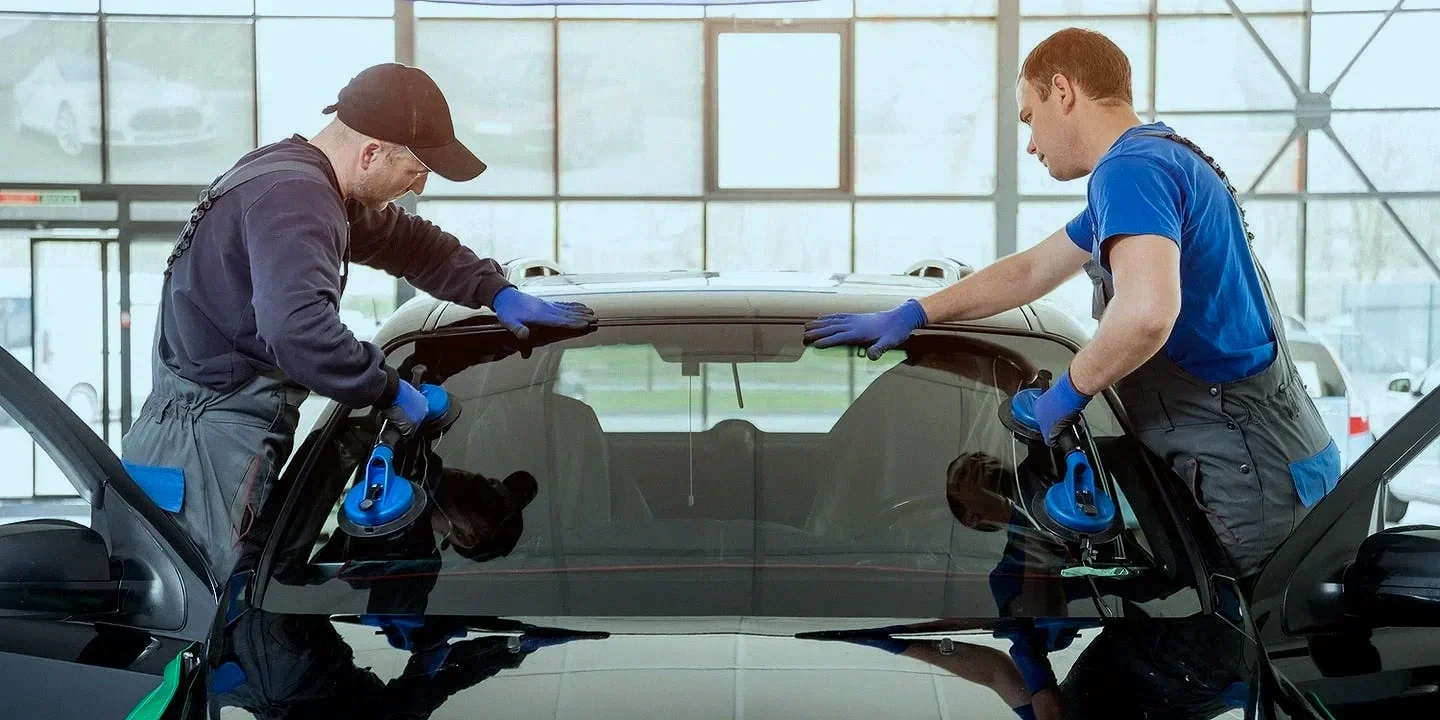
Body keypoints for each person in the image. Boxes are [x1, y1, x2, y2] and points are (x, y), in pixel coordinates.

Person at [803, 27, 1339, 585]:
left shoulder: (1130, 171)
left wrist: (1066, 394)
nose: (1031, 142)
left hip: (1251, 473)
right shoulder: (1162, 159)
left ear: (1062, 90)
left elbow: (1148, 313)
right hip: (1276, 454)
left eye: (1028, 116)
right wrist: (919, 311)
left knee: (1257, 644)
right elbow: (1034, 269)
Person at [120, 62, 596, 584]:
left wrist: (493, 288)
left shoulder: (295, 181)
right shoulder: (298, 199)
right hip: (203, 450)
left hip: (199, 435)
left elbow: (407, 242)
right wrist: (386, 387)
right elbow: (297, 330)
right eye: (416, 170)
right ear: (371, 153)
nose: (418, 186)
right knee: (204, 620)